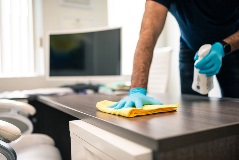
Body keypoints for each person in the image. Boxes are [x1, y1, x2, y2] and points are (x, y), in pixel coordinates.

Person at [110, 0, 239, 109]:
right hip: (190, 45)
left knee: (234, 107)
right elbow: (149, 32)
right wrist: (137, 90)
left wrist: (223, 47)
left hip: (232, 45)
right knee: (193, 111)